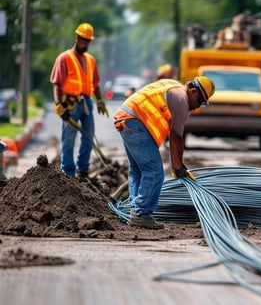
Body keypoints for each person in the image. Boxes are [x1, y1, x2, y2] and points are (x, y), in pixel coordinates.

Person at [113, 76, 215, 229]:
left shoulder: (173, 86)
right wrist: (178, 167)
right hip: (135, 122)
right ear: (193, 91)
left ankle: (135, 211)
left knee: (138, 170)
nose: (198, 106)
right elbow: (176, 136)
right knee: (154, 172)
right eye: (200, 101)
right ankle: (141, 213)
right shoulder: (182, 100)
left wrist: (177, 165)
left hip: (125, 117)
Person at [50, 23, 109, 179]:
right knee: (68, 139)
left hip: (86, 102)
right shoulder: (64, 58)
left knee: (89, 136)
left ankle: (83, 170)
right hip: (70, 103)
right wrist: (58, 104)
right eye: (83, 40)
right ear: (77, 38)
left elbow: (95, 84)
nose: (85, 43)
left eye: (87, 41)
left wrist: (100, 101)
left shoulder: (90, 60)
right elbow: (57, 84)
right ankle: (68, 173)